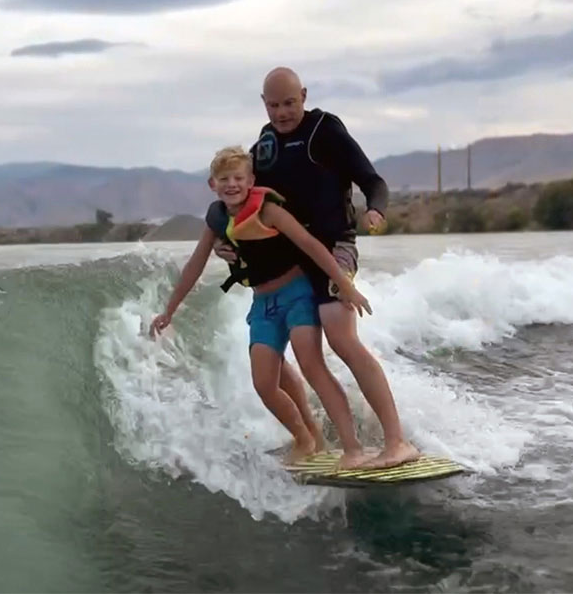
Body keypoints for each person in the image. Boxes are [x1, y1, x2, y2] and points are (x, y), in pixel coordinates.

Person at [215, 66, 420, 469]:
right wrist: (228, 241)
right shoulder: (266, 144)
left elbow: (371, 179)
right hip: (291, 259)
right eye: (274, 105)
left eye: (290, 103)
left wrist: (376, 210)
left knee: (341, 337)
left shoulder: (324, 130)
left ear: (304, 96)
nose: (282, 112)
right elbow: (242, 200)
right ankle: (314, 439)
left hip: (333, 247)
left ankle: (397, 441)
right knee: (290, 354)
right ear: (264, 104)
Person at [150, 146, 372, 467]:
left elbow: (310, 245)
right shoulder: (217, 220)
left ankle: (352, 448)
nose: (232, 184)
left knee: (310, 363)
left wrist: (347, 285)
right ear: (212, 185)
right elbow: (194, 266)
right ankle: (306, 438)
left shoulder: (268, 211)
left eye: (238, 178)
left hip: (298, 295)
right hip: (263, 305)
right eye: (224, 179)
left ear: (251, 180)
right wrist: (170, 310)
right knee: (264, 385)